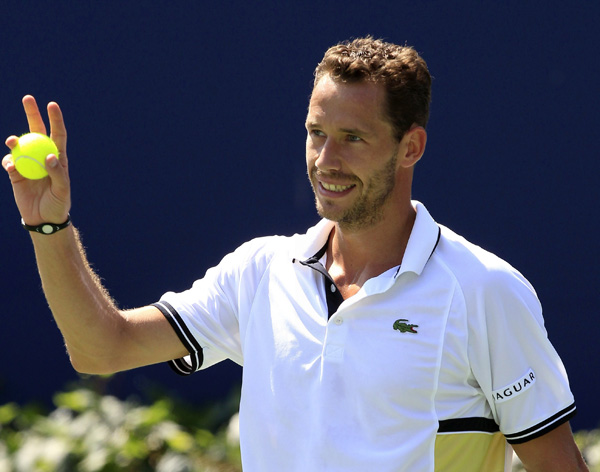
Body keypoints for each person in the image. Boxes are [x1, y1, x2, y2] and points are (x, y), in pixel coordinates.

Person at [3, 37, 588, 471]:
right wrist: (49, 227)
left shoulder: (485, 291)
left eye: (353, 138)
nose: (325, 160)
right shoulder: (260, 272)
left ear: (411, 147)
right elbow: (102, 348)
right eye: (316, 132)